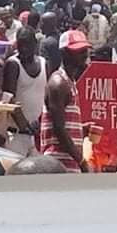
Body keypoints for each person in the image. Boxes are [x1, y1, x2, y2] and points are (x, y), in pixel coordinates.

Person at [41, 30, 91, 172]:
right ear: (65, 54)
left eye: (85, 50)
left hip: (66, 164)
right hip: (57, 164)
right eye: (79, 51)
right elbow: (59, 129)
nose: (84, 55)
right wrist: (82, 161)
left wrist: (82, 129)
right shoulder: (59, 83)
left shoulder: (70, 82)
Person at [2, 26, 47, 156]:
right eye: (21, 44)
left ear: (35, 44)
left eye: (27, 44)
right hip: (17, 135)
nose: (24, 48)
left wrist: (40, 121)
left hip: (37, 135)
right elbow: (8, 98)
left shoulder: (44, 63)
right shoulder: (13, 64)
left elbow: (47, 97)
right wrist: (24, 125)